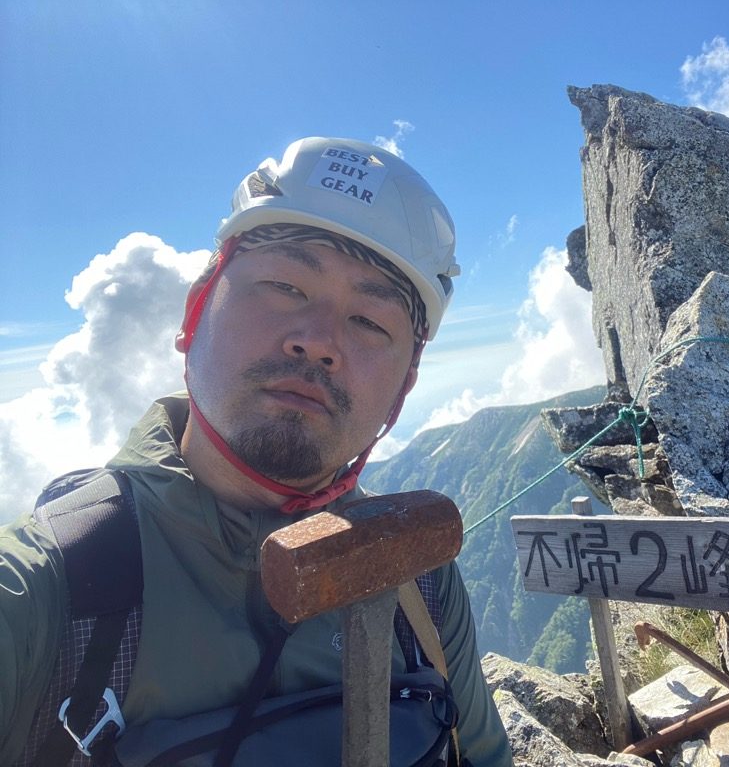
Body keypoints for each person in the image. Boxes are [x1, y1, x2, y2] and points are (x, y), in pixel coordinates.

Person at [0, 137, 513, 766]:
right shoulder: (45, 591)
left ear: (404, 384)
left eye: (371, 323)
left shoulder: (418, 573)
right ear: (196, 310)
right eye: (284, 285)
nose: (319, 341)